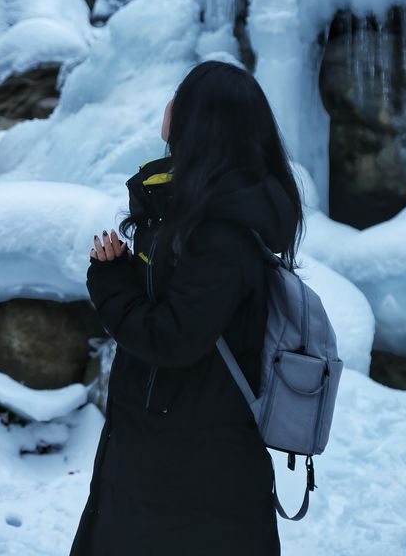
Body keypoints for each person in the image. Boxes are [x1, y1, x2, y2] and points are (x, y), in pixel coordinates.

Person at [67, 60, 304, 556]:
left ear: (202, 120)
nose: (168, 106)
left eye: (180, 97)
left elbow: (171, 337)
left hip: (189, 466)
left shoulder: (221, 233)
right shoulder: (198, 212)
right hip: (169, 449)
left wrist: (111, 282)